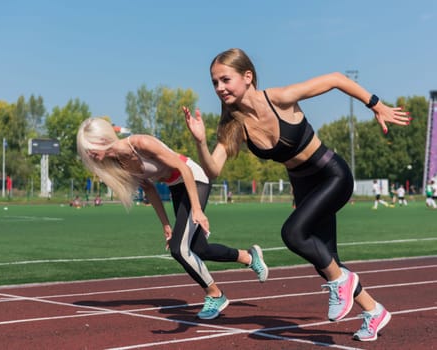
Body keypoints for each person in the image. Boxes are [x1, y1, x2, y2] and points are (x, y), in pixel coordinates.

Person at [183, 48, 410, 341]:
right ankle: (373, 311)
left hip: (332, 175)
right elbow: (212, 169)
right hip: (303, 186)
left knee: (293, 233)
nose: (219, 88)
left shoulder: (279, 98)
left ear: (247, 76)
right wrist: (200, 142)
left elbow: (336, 79)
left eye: (225, 79)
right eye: (214, 82)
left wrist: (375, 104)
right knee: (326, 260)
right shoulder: (234, 125)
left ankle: (343, 282)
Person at [77, 117, 268, 320]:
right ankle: (249, 257)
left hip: (194, 178)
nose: (88, 155)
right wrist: (165, 225)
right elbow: (150, 190)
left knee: (179, 249)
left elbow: (183, 168)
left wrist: (197, 209)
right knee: (200, 249)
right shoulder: (119, 162)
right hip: (176, 186)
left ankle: (216, 294)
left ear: (101, 139)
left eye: (89, 149)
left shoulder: (140, 143)